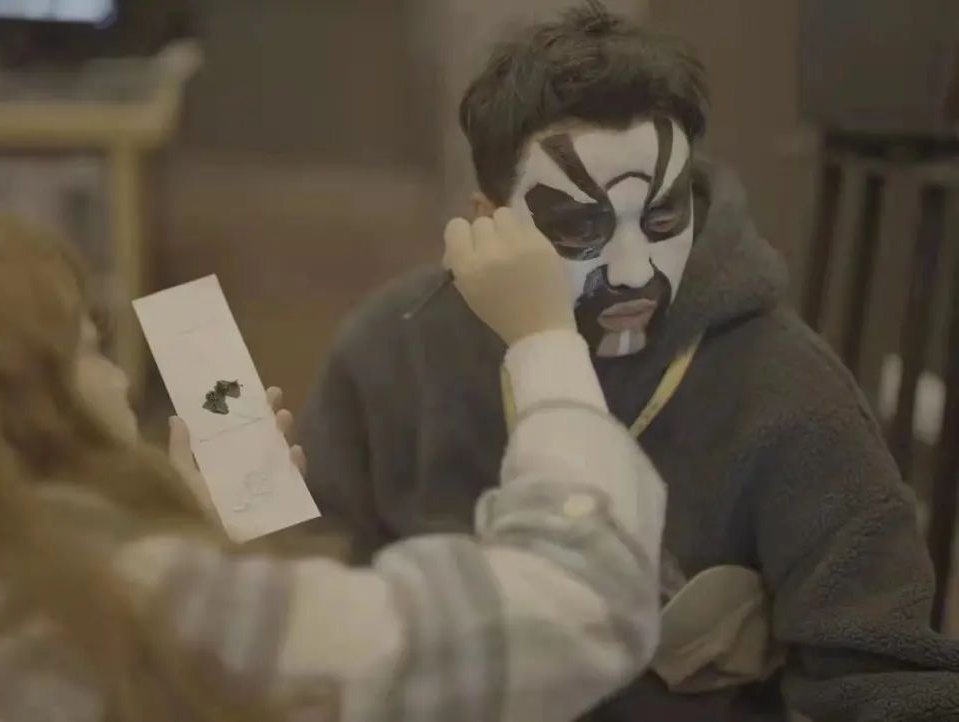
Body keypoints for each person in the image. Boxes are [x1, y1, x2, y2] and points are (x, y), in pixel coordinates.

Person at [297, 3, 959, 721]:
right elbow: (307, 603)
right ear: (490, 219)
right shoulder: (393, 351)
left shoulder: (789, 394)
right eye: (581, 227)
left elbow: (887, 683)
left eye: (664, 218)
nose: (633, 269)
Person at [0, 211, 666, 722]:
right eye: (88, 350)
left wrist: (179, 542)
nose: (118, 379)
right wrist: (543, 336)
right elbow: (580, 606)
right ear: (20, 408)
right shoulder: (112, 605)